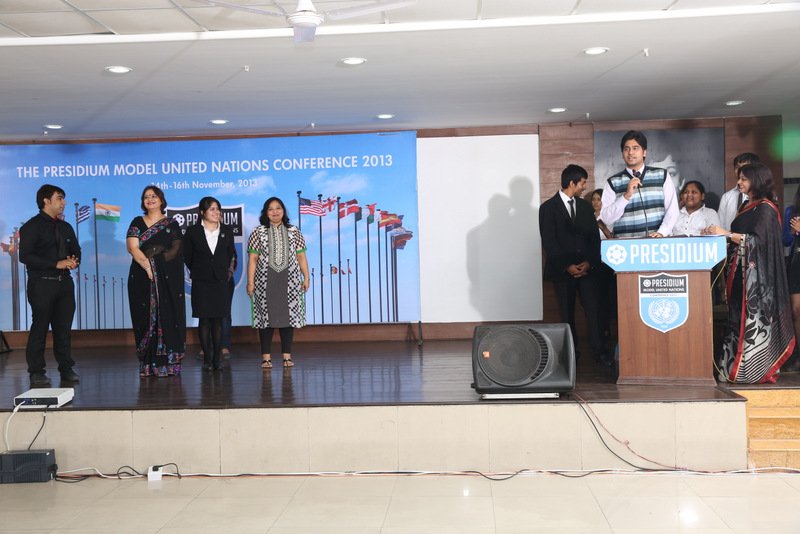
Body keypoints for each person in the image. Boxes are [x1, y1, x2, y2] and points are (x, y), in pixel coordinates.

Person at [706, 163, 795, 383]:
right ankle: (733, 369)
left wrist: (725, 233)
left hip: (757, 279)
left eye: (744, 179)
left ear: (757, 180)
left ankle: (755, 370)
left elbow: (758, 242)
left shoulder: (765, 209)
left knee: (750, 321)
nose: (739, 182)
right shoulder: (748, 205)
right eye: (739, 178)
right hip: (740, 274)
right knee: (736, 320)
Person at [539, 165, 611, 366]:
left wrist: (589, 262)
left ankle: (600, 352)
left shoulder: (585, 207)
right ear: (572, 183)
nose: (584, 187)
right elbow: (549, 241)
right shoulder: (547, 208)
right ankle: (571, 355)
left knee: (593, 311)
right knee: (566, 313)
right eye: (582, 183)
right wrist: (567, 266)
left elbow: (593, 240)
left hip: (587, 271)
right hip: (562, 272)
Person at [18, 184, 81, 386]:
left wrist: (74, 260)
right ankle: (36, 371)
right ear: (46, 201)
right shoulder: (31, 227)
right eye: (59, 198)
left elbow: (76, 251)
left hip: (65, 285)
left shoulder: (66, 227)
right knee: (40, 328)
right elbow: (25, 256)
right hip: (42, 284)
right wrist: (56, 263)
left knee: (63, 329)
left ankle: (66, 368)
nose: (64, 202)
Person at [126, 185, 185, 377]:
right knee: (143, 317)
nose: (150, 199)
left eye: (153, 196)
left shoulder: (171, 224)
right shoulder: (137, 222)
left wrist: (157, 266)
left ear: (161, 200)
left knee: (169, 316)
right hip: (141, 277)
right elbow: (132, 248)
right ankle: (147, 363)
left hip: (167, 280)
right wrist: (148, 267)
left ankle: (169, 362)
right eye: (146, 197)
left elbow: (176, 250)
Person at [247, 197, 310, 369]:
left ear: (283, 211)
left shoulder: (294, 231)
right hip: (264, 282)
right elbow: (253, 258)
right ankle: (266, 358)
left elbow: (301, 256)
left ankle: (287, 357)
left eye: (278, 208)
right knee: (265, 319)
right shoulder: (257, 232)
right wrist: (250, 282)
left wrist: (306, 277)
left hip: (290, 282)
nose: (275, 212)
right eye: (271, 209)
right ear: (265, 212)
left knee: (287, 319)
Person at [184, 197, 237, 371]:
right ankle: (207, 358)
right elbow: (187, 256)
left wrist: (222, 270)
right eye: (212, 209)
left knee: (218, 320)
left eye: (218, 208)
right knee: (204, 320)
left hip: (220, 281)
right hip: (201, 281)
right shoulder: (192, 231)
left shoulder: (227, 230)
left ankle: (217, 358)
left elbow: (230, 254)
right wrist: (200, 269)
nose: (216, 212)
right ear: (202, 212)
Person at [600, 130, 679, 238]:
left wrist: (662, 232)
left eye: (635, 148)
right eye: (626, 149)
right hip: (625, 244)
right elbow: (606, 218)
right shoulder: (613, 182)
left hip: (657, 242)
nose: (630, 153)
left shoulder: (662, 175)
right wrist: (626, 196)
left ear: (644, 152)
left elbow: (672, 210)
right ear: (622, 154)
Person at [782, 188, 800, 372]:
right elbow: (785, 240)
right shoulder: (792, 211)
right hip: (796, 261)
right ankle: (798, 355)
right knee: (796, 311)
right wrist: (793, 232)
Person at [718, 152, 760, 230]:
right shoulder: (726, 197)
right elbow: (721, 226)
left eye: (745, 167)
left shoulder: (762, 198)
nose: (740, 170)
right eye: (737, 167)